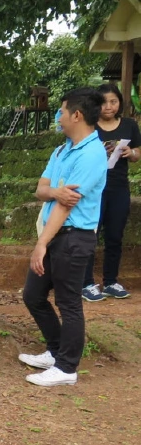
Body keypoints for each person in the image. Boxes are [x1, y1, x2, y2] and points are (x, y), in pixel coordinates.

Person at [20, 88, 108, 386]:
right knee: (33, 295)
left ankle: (67, 368)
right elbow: (42, 189)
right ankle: (55, 350)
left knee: (69, 302)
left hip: (73, 237)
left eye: (61, 111)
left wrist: (41, 243)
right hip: (53, 233)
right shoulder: (62, 150)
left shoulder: (92, 154)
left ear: (77, 114)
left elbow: (64, 204)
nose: (58, 117)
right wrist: (54, 192)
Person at [82, 83, 141, 301]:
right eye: (104, 102)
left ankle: (110, 281)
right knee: (90, 235)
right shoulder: (88, 126)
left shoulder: (129, 125)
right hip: (93, 189)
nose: (109, 106)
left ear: (120, 103)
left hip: (118, 188)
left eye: (113, 102)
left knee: (115, 236)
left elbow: (137, 153)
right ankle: (86, 283)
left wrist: (131, 151)